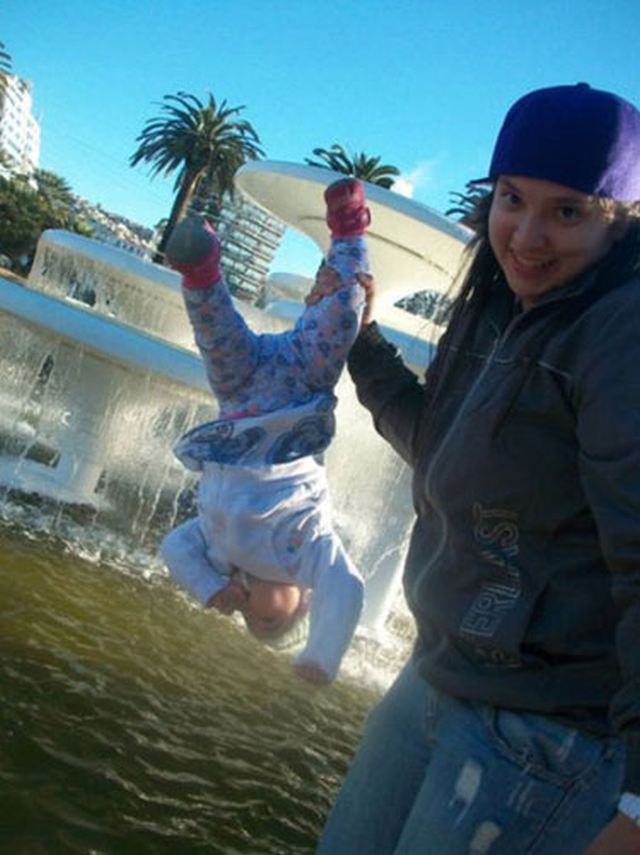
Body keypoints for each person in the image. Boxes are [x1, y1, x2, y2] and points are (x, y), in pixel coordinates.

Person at [313, 84, 640, 853]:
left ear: (621, 223)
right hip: (437, 676)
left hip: (546, 734)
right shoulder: (499, 306)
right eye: (512, 198)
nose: (527, 234)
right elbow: (443, 445)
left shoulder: (620, 336)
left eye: (568, 211)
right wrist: (362, 343)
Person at [161, 178, 371, 686]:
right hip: (300, 392)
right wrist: (321, 655)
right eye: (268, 619)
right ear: (304, 603)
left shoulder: (217, 553)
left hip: (237, 400)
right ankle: (348, 230)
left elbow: (173, 546)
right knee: (343, 314)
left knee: (213, 329)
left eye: (247, 620)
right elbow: (347, 585)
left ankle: (202, 265)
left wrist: (211, 588)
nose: (250, 610)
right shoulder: (303, 554)